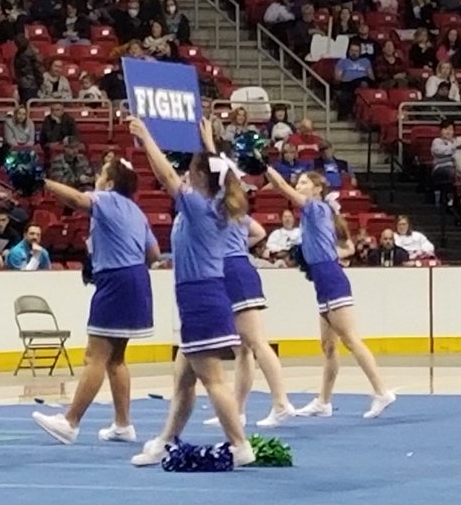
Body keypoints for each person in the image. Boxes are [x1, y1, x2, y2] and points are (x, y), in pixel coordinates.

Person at [127, 117, 254, 468]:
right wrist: (209, 143)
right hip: (204, 297)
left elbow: (167, 177)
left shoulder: (200, 207)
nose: (184, 174)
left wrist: (146, 137)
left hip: (200, 297)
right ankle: (166, 439)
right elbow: (220, 173)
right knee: (183, 380)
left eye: (191, 170)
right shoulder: (215, 203)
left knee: (213, 379)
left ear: (200, 177)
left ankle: (239, 444)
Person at [31, 157, 160, 445]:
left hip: (115, 280)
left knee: (95, 356)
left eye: (101, 173)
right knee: (116, 358)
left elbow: (78, 200)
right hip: (138, 278)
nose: (97, 177)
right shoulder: (137, 212)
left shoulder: (106, 199)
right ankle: (123, 424)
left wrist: (43, 183)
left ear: (110, 183)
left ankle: (70, 421)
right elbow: (153, 253)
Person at [263, 164, 396, 420]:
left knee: (350, 339)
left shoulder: (314, 207)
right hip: (322, 280)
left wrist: (265, 167)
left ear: (317, 189)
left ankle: (381, 391)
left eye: (303, 183)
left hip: (331, 279)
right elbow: (344, 249)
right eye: (299, 182)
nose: (299, 185)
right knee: (328, 346)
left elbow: (282, 187)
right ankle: (323, 401)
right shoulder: (315, 214)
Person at [204, 153, 296, 429]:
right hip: (235, 270)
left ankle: (281, 402)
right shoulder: (234, 204)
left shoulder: (217, 204)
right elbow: (257, 231)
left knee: (256, 343)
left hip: (233, 272)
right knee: (241, 348)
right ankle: (238, 409)